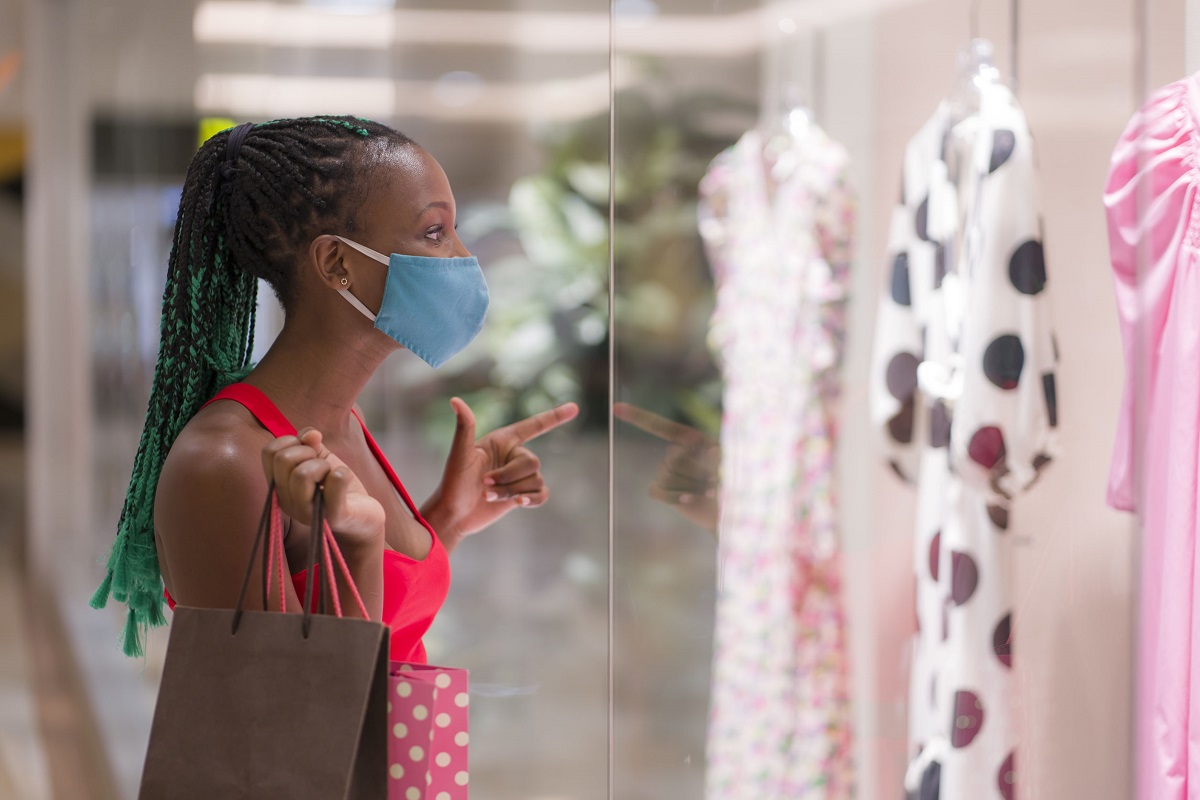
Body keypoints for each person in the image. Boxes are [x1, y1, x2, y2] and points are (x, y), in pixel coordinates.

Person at [90, 116, 578, 661]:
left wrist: (450, 516)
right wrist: (358, 541)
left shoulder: (342, 423)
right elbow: (275, 722)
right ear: (337, 263)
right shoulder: (225, 462)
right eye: (435, 232)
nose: (464, 258)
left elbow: (389, 629)